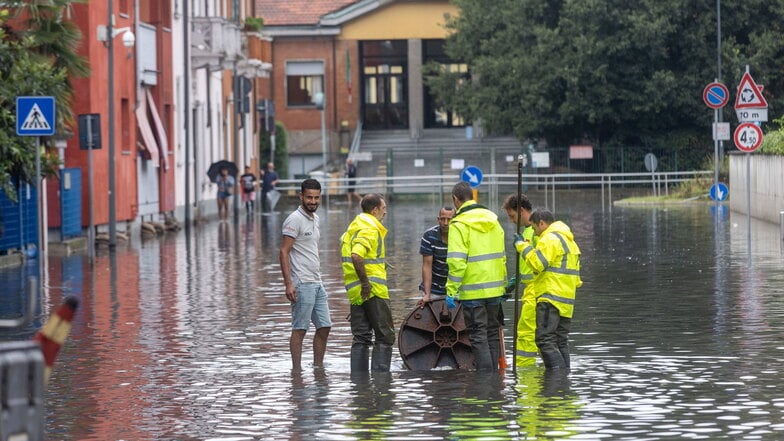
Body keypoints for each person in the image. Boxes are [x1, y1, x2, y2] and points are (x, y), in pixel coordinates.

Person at [445, 182, 507, 371]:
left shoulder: (459, 223)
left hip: (473, 291)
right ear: (472, 196)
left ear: (455, 199)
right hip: (495, 289)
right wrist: (503, 285)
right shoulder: (493, 219)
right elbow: (501, 256)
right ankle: (496, 383)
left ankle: (484, 382)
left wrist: (451, 291)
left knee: (478, 336)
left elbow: (456, 261)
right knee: (492, 334)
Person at [517, 208, 582, 371]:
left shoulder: (549, 239)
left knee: (544, 340)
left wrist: (522, 247)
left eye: (533, 228)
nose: (534, 233)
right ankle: (564, 378)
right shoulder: (569, 241)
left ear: (541, 223)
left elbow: (538, 263)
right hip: (566, 301)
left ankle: (556, 378)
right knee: (560, 341)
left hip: (550, 297)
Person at [279, 179, 332, 371]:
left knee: (325, 326)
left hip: (316, 281)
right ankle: (297, 371)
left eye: (316, 197)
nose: (313, 201)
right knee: (300, 328)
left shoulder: (314, 218)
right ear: (301, 196)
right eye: (309, 197)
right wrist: (289, 284)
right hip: (301, 282)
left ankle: (318, 367)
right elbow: (284, 251)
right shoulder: (294, 219)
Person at [340, 193, 395, 372]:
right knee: (385, 337)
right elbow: (356, 255)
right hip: (373, 290)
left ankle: (359, 385)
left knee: (361, 338)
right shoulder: (370, 228)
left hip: (355, 292)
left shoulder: (353, 227)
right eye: (383, 208)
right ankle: (381, 385)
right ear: (375, 210)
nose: (385, 213)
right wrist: (366, 283)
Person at [503, 194, 539, 368]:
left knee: (525, 333)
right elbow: (527, 266)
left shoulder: (536, 230)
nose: (511, 221)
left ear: (522, 211)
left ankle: (525, 370)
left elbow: (540, 262)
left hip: (537, 290)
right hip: (530, 289)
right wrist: (513, 283)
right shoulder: (527, 231)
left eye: (512, 216)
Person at [417, 206, 455, 306]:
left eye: (449, 220)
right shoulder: (429, 236)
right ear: (438, 220)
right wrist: (427, 294)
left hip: (455, 287)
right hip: (434, 287)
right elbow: (427, 266)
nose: (446, 223)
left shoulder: (461, 236)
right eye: (443, 219)